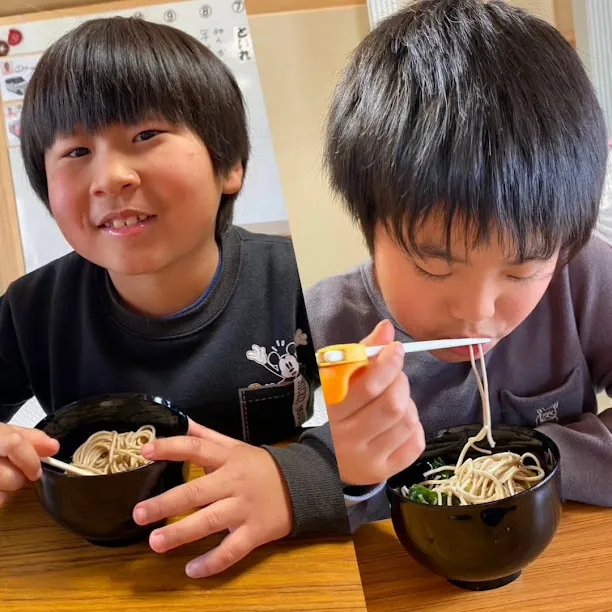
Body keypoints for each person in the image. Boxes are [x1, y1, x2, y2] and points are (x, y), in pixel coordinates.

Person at [0, 17, 348, 578]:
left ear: (229, 164)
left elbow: (400, 408)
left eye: (145, 136)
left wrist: (296, 482)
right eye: (75, 151)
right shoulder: (31, 310)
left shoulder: (298, 278)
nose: (109, 177)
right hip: (96, 575)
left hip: (274, 569)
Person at [304, 0, 612, 530]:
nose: (476, 310)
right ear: (368, 223)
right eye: (433, 264)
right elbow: (276, 480)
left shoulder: (578, 276)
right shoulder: (326, 323)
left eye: (519, 271)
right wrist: (341, 476)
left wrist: (538, 459)